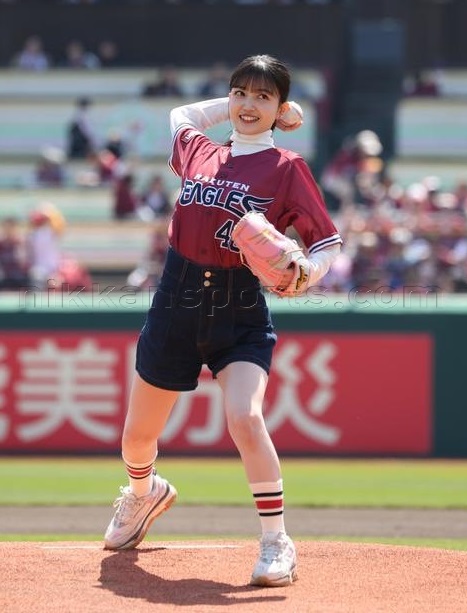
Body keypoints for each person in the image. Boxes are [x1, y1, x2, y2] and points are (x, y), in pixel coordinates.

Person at [103, 54, 342, 587]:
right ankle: (144, 494)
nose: (248, 105)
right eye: (241, 93)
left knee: (245, 418)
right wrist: (260, 105)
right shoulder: (200, 151)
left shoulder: (286, 168)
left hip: (239, 308)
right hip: (176, 302)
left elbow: (327, 242)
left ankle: (276, 542)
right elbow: (182, 115)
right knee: (136, 440)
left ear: (281, 107)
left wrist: (309, 271)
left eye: (263, 96)